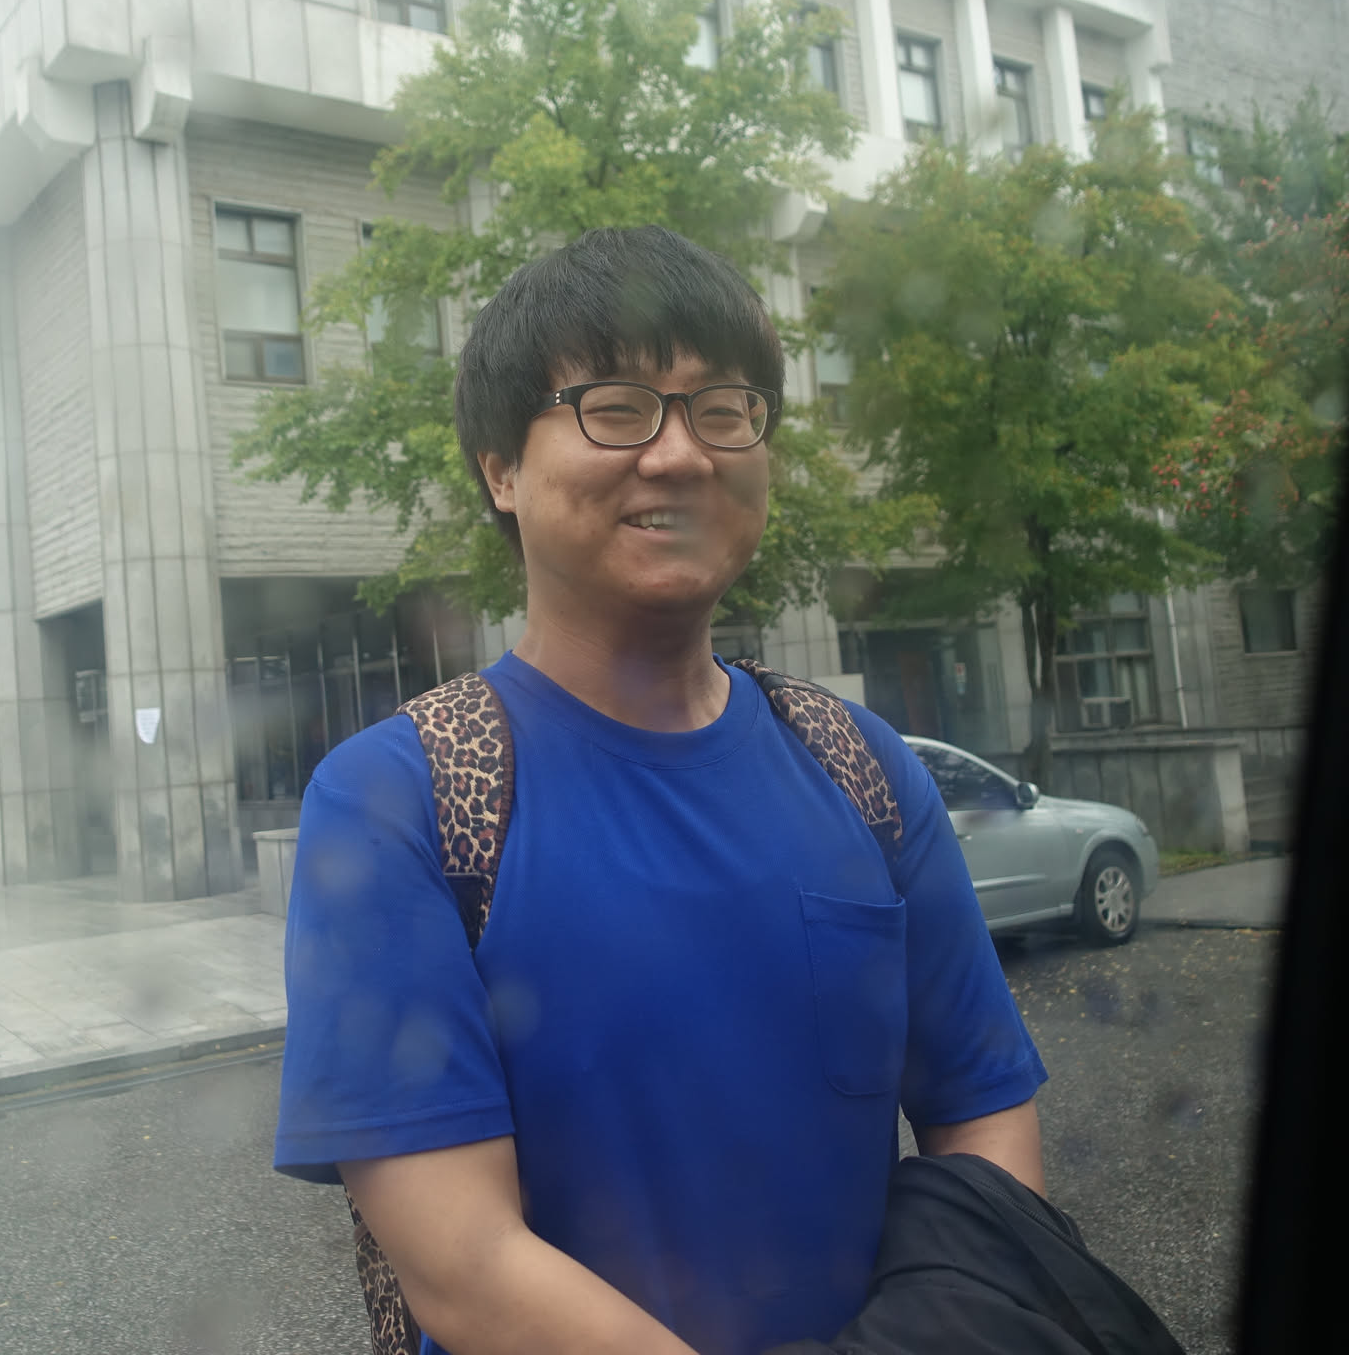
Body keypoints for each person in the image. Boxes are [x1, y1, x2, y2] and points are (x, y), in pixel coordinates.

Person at [272, 226, 1048, 1355]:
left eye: (723, 409)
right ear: (500, 469)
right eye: (617, 407)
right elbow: (465, 1267)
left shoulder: (862, 765)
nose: (680, 454)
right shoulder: (402, 799)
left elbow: (983, 1113)